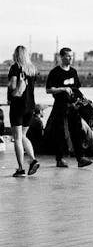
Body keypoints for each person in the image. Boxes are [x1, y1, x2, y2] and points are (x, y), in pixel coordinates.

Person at [45, 47, 92, 168]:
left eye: (72, 56)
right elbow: (48, 90)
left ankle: (80, 158)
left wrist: (83, 102)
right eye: (68, 56)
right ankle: (59, 159)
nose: (71, 58)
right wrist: (62, 89)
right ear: (61, 57)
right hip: (60, 106)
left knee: (77, 131)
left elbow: (77, 89)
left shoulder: (73, 72)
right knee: (59, 132)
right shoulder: (55, 72)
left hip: (73, 106)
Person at [7, 45, 40, 177]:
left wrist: (11, 88)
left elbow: (15, 89)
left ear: (16, 54)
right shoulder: (32, 69)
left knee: (17, 138)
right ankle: (33, 160)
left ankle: (20, 169)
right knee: (24, 136)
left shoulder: (15, 67)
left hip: (18, 107)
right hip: (30, 106)